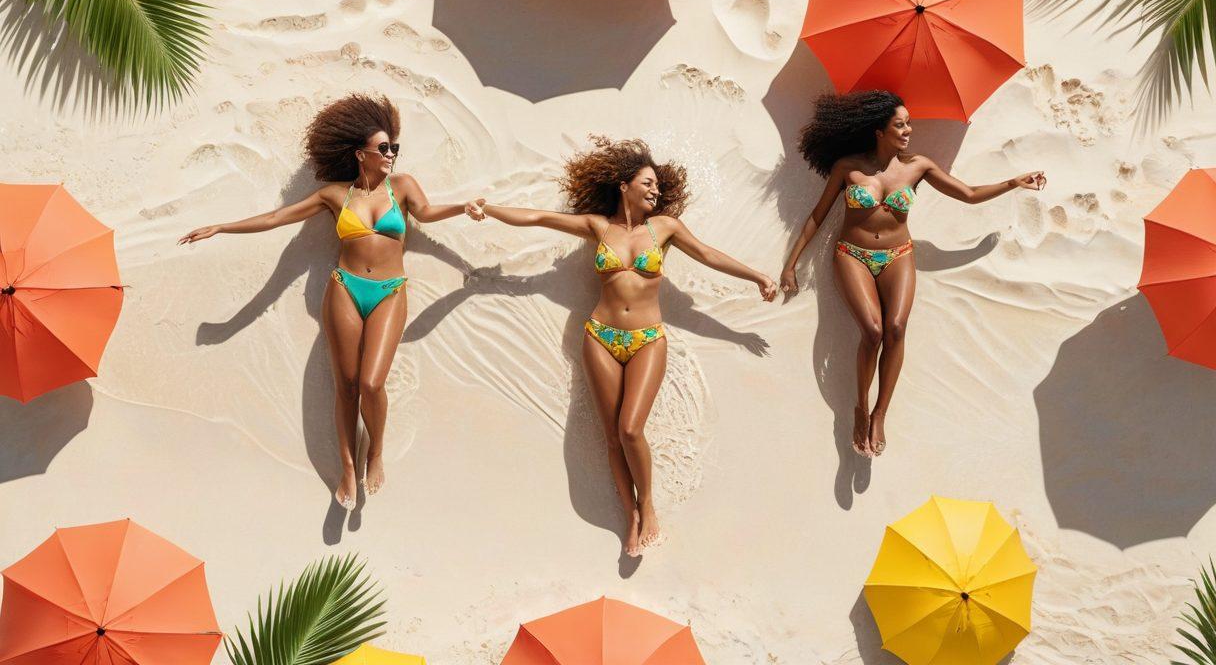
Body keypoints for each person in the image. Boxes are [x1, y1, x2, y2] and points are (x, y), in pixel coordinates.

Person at [465, 136, 777, 557]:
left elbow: (707, 254)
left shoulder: (664, 228)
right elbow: (539, 217)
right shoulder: (598, 227)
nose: (655, 191)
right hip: (600, 336)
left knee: (631, 428)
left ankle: (649, 506)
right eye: (647, 183)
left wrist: (757, 276)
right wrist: (491, 210)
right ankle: (629, 516)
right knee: (613, 435)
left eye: (658, 187)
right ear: (624, 185)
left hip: (648, 338)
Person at [180, 94, 472, 510]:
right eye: (383, 149)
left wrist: (466, 207)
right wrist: (221, 227)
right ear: (360, 154)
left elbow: (426, 213)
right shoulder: (335, 195)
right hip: (344, 288)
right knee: (347, 385)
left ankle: (375, 453)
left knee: (372, 382)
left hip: (390, 290)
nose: (391, 155)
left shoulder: (402, 186)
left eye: (394, 148)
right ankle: (348, 468)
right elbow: (276, 218)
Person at [780, 91, 1045, 458]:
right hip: (852, 255)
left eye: (909, 124)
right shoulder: (848, 167)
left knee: (897, 329)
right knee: (872, 331)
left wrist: (1013, 183)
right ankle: (860, 406)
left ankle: (880, 414)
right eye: (900, 125)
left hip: (899, 254)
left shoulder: (918, 166)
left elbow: (967, 193)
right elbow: (817, 215)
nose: (908, 131)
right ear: (879, 131)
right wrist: (791, 264)